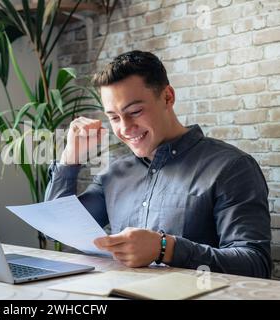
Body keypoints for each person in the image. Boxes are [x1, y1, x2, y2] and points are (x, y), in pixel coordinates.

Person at [44, 50, 272, 278]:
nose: (124, 128)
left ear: (167, 97)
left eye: (135, 111)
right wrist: (69, 159)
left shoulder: (231, 167)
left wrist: (165, 248)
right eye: (114, 117)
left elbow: (255, 264)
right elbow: (56, 230)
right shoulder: (114, 175)